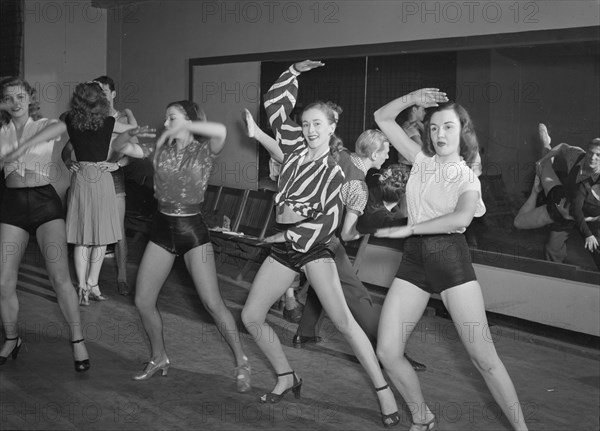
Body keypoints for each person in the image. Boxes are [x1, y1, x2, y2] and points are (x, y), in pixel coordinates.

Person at [240, 60, 400, 428]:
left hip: (315, 249)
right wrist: (294, 71)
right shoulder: (295, 151)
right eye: (306, 123)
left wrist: (350, 219)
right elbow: (274, 105)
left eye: (318, 124)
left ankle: (383, 391)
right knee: (250, 316)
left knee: (344, 324)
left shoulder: (340, 162)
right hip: (287, 247)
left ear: (332, 127)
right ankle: (286, 376)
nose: (310, 129)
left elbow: (358, 190)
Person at [374, 89, 529, 431]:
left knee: (484, 360)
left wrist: (410, 227)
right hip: (415, 262)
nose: (439, 134)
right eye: (433, 128)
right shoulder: (420, 160)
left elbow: (460, 219)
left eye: (448, 127)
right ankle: (423, 417)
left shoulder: (466, 177)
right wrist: (412, 97)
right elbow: (382, 118)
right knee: (387, 350)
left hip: (450, 261)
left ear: (463, 131)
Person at [243, 110, 426, 371]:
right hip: (325, 242)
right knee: (357, 295)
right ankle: (393, 352)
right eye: (385, 152)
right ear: (374, 155)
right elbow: (348, 231)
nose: (388, 156)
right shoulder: (357, 182)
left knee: (324, 286)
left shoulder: (339, 155)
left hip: (308, 236)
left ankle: (305, 332)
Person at [111, 100, 252, 392]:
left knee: (212, 304)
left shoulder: (204, 151)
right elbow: (121, 147)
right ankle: (159, 356)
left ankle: (241, 361)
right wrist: (131, 129)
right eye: (165, 118)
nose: (165, 123)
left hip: (191, 230)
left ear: (188, 120)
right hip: (162, 228)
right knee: (143, 300)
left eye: (170, 117)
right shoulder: (160, 150)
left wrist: (183, 125)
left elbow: (219, 130)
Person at [0, 77, 90, 372]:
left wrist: (20, 148)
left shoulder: (45, 124)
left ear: (30, 98)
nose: (16, 103)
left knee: (60, 277)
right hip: (12, 204)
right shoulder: (1, 131)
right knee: (3, 281)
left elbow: (63, 126)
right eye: (9, 98)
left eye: (21, 97)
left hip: (44, 202)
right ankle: (12, 338)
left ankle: (78, 340)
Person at [63, 82, 135, 306]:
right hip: (102, 176)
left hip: (82, 176)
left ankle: (83, 287)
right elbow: (133, 127)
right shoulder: (109, 121)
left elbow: (65, 146)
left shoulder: (69, 119)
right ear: (101, 100)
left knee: (82, 238)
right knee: (101, 237)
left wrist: (68, 162)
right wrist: (129, 112)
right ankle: (92, 283)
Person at [514, 135, 600, 268]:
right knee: (544, 165)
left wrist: (579, 220)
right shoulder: (577, 155)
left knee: (595, 247)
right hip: (560, 204)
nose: (593, 158)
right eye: (591, 153)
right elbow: (562, 147)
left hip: (587, 218)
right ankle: (545, 142)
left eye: (598, 155)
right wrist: (543, 160)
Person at [94, 75, 138, 296]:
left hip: (114, 176)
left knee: (118, 231)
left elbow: (135, 149)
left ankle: (121, 278)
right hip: (92, 176)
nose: (100, 94)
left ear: (112, 93)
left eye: (103, 90)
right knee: (93, 229)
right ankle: (90, 279)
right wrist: (70, 162)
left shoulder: (122, 117)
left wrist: (118, 163)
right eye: (96, 90)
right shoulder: (91, 116)